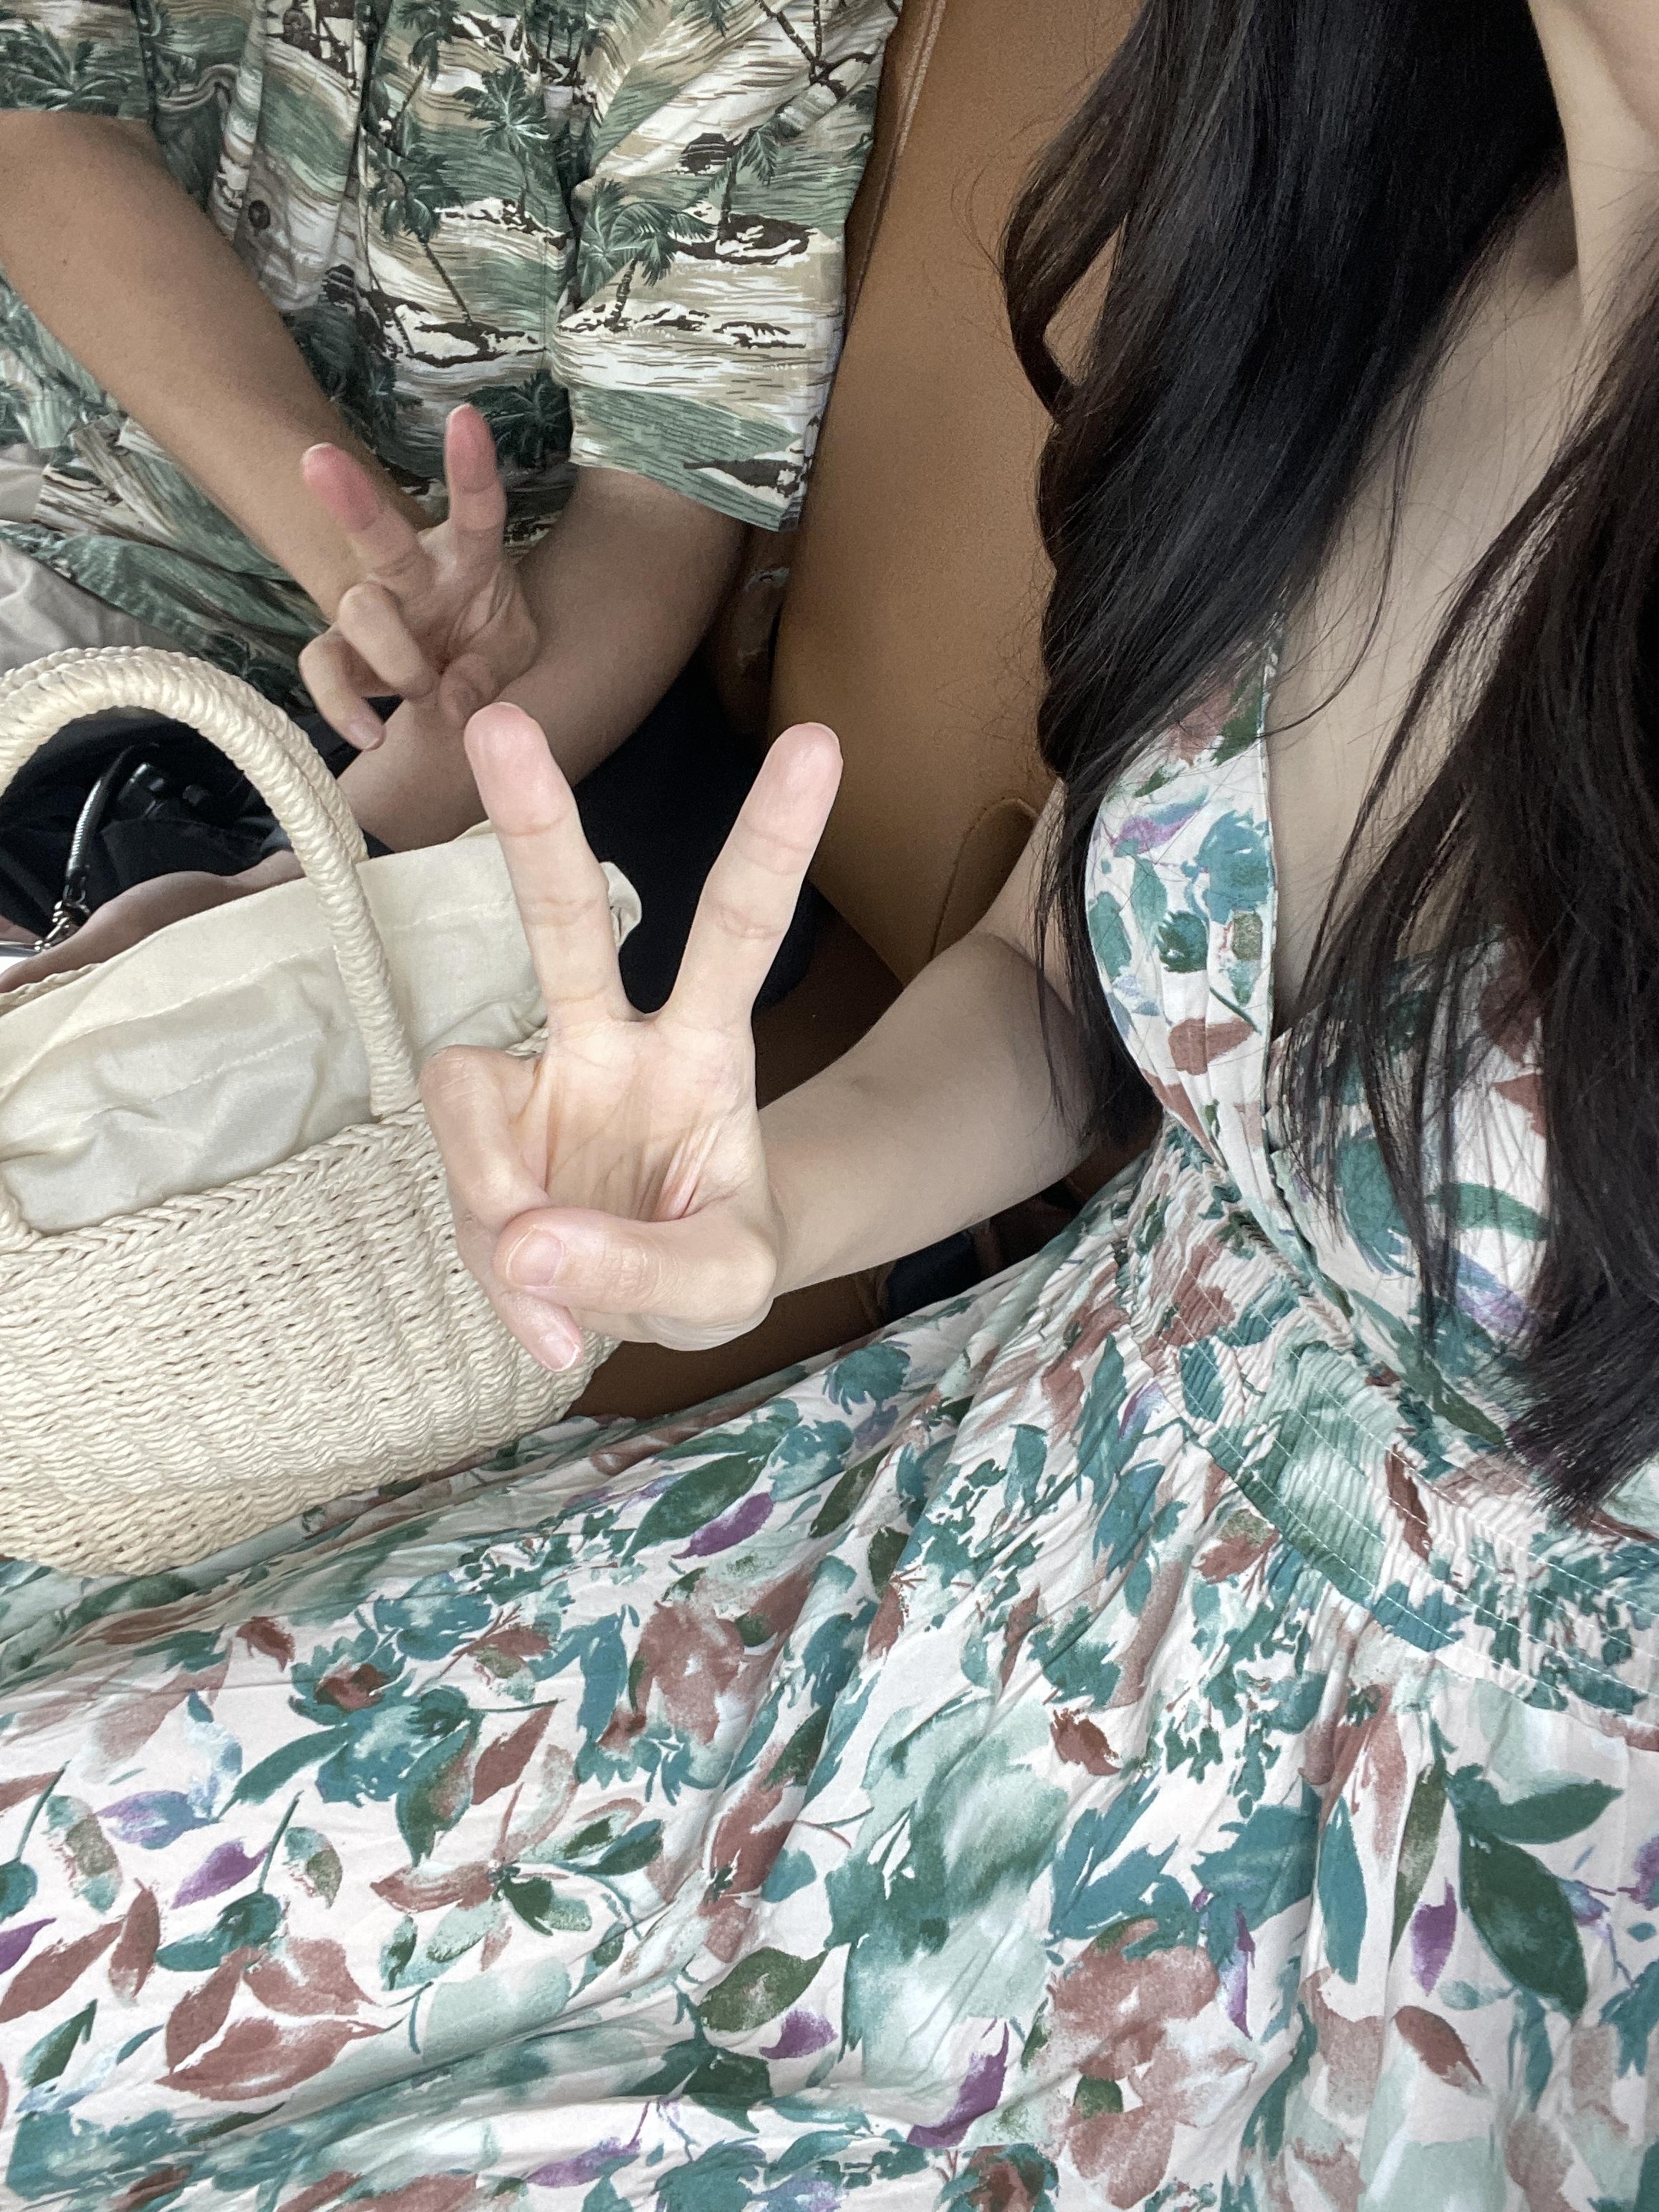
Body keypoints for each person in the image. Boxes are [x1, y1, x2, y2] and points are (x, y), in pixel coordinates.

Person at [2, 0, 1658, 2203]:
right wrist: (765, 1206)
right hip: (959, 1521)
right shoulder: (1367, 238)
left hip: (1394, 1926)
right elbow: (1061, 983)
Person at [0, 0, 898, 989]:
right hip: (66, 528)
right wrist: (360, 565)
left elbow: (659, 500)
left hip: (514, 658)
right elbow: (44, 127)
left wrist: (312, 882)